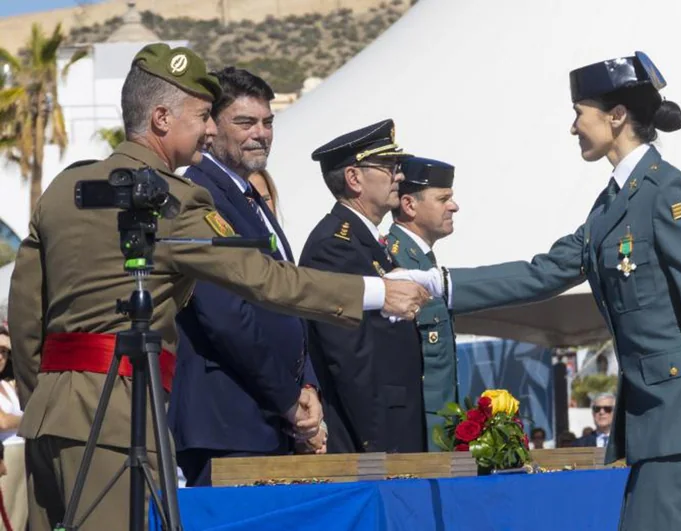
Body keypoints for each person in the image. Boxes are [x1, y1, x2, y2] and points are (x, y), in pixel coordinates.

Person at [8, 44, 429, 531]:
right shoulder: (172, 200)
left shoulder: (66, 188)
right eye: (204, 116)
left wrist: (43, 399)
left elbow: (26, 316)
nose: (211, 128)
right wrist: (377, 293)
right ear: (162, 118)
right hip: (120, 422)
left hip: (47, 419)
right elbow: (265, 280)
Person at [389, 52, 681, 530]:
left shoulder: (668, 194)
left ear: (617, 116)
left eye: (580, 111)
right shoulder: (612, 203)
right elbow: (547, 271)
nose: (573, 126)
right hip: (654, 425)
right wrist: (440, 283)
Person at [169, 66, 326, 487]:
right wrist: (289, 399)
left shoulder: (250, 198)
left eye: (268, 122)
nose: (261, 133)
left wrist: (306, 386)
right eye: (245, 122)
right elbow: (225, 316)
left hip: (270, 418)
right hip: (227, 421)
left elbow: (287, 306)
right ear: (210, 128)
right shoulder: (198, 198)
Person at [300, 119, 426, 453]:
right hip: (372, 434)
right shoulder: (335, 245)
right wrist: (376, 442)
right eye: (387, 166)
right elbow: (349, 355)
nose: (399, 175)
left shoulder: (365, 241)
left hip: (395, 422)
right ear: (354, 178)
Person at [386, 156, 459, 451]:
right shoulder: (395, 261)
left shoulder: (420, 259)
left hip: (436, 430)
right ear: (409, 205)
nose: (454, 206)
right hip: (415, 434)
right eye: (443, 199)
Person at [0, 323, 25, 531]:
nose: (1, 356)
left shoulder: (9, 385)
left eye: (5, 352)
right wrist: (31, 419)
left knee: (19, 517)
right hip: (5, 456)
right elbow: (3, 422)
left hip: (23, 456)